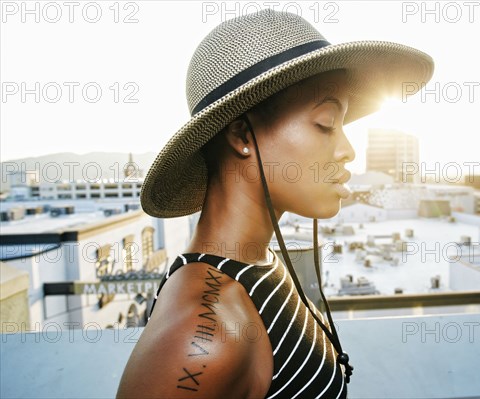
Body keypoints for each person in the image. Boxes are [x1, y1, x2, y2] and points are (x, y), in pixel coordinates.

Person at [117, 9, 432, 399]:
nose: (347, 150)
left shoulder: (262, 266)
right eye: (326, 123)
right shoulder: (207, 331)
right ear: (241, 135)